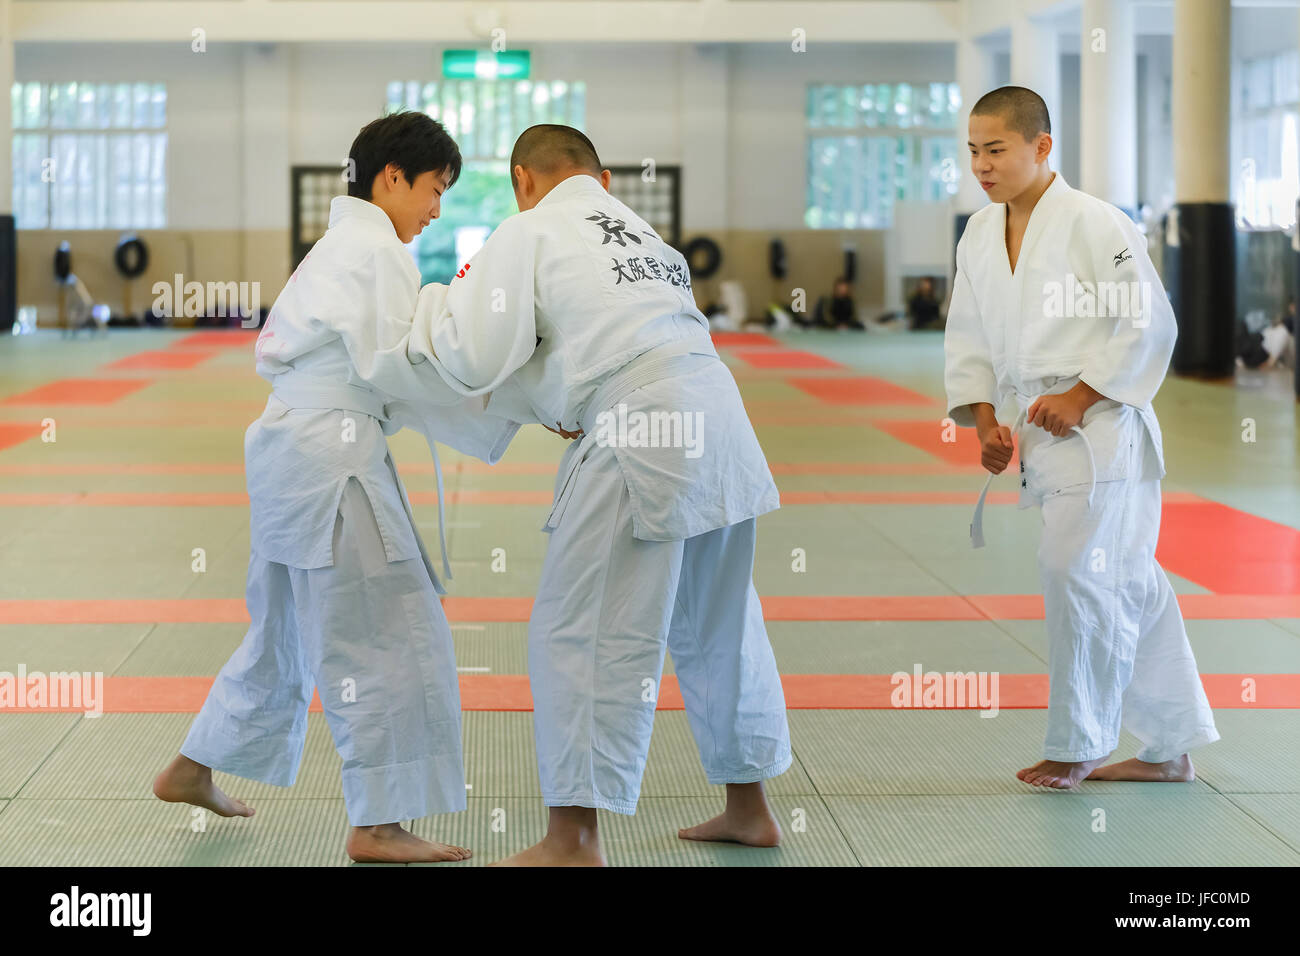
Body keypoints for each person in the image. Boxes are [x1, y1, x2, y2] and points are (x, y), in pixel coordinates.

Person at [407, 124, 791, 866]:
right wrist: (566, 403)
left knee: (579, 627)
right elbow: (593, 340)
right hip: (719, 419)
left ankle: (573, 838)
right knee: (723, 622)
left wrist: (426, 311)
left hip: (641, 427)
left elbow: (480, 352)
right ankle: (751, 809)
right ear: (603, 180)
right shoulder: (650, 242)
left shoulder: (528, 231)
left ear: (522, 179)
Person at [152, 111, 521, 863]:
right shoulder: (374, 251)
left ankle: (192, 765)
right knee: (389, 631)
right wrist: (513, 401)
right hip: (332, 461)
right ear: (392, 177)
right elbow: (399, 369)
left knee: (281, 629)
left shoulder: (340, 245)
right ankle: (377, 824)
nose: (437, 209)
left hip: (290, 453)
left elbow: (384, 368)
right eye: (434, 189)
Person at [944, 86, 1219, 790]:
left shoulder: (1097, 222)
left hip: (1100, 423)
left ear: (1041, 147)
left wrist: (1083, 392)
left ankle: (1078, 742)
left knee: (1078, 573)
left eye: (996, 149)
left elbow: (1148, 322)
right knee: (1130, 581)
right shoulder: (980, 232)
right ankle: (1171, 745)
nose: (982, 164)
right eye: (973, 150)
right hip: (1039, 426)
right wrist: (983, 422)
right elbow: (968, 334)